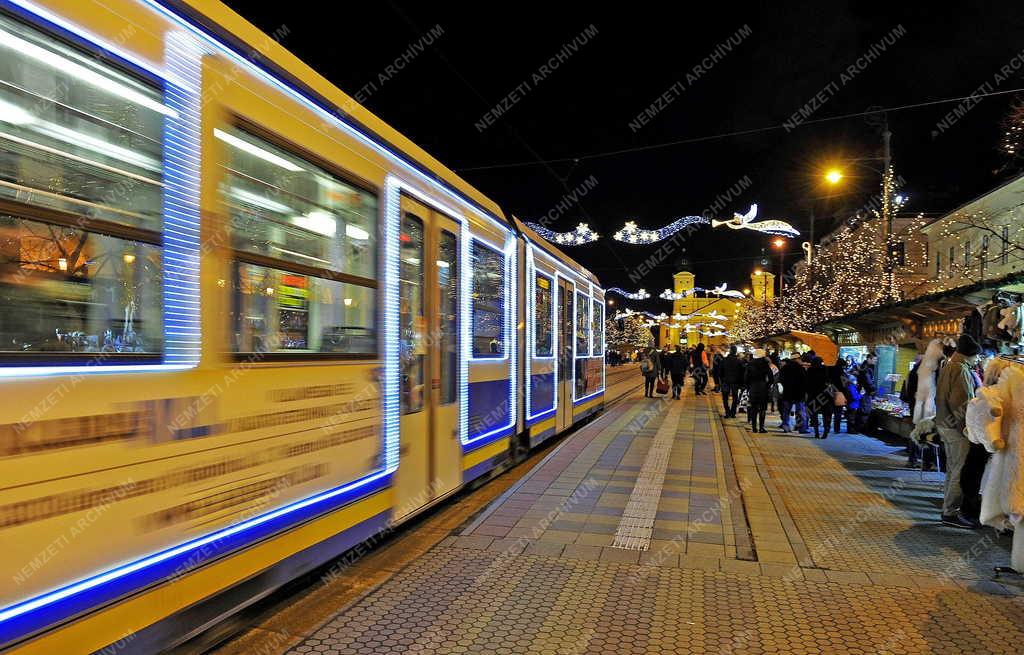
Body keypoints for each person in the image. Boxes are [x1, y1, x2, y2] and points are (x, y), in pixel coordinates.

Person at [934, 334, 982, 529]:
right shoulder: (960, 370)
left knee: (952, 469)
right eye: (976, 356)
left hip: (945, 425)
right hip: (956, 428)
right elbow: (961, 404)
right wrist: (966, 428)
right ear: (969, 355)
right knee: (959, 470)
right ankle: (951, 513)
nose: (978, 360)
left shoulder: (949, 366)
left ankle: (947, 508)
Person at [805, 356, 835, 439]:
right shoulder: (825, 369)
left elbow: (807, 383)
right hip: (825, 396)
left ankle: (816, 432)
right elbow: (830, 381)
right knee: (826, 415)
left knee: (814, 415)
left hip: (813, 395)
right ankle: (825, 431)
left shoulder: (810, 370)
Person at [745, 348, 773, 433]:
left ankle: (754, 427)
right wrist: (767, 386)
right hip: (763, 388)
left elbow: (746, 378)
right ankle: (761, 427)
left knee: (753, 408)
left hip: (753, 387)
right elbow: (771, 378)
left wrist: (748, 387)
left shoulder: (750, 364)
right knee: (763, 408)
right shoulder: (765, 364)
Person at [778, 353, 807, 433]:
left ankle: (786, 426)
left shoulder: (785, 368)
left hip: (787, 392)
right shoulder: (801, 368)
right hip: (799, 393)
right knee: (800, 411)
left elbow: (781, 379)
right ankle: (801, 428)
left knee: (786, 411)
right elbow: (805, 381)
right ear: (797, 359)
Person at [720, 345, 745, 418]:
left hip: (725, 381)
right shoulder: (739, 361)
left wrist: (721, 380)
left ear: (730, 351)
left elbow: (720, 371)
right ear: (735, 352)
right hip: (735, 382)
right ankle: (733, 413)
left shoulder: (724, 360)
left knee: (725, 398)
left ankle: (727, 412)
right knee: (735, 397)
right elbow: (742, 373)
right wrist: (741, 383)